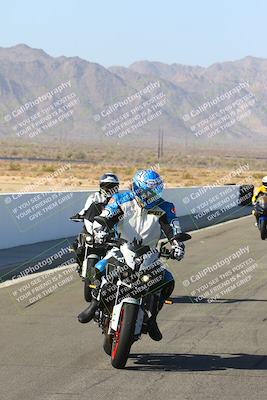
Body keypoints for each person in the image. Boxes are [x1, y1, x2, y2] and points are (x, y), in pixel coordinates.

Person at [78, 169, 185, 341]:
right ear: (136, 187)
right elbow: (105, 216)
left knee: (167, 281)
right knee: (96, 269)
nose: (149, 196)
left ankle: (152, 319)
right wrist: (100, 230)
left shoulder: (165, 207)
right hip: (122, 247)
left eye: (154, 192)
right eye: (146, 191)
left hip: (149, 254)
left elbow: (173, 228)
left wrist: (177, 244)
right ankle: (94, 304)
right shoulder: (121, 199)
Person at [70, 172, 120, 270]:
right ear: (101, 186)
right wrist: (79, 215)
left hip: (111, 229)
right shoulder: (94, 197)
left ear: (117, 187)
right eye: (106, 186)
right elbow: (86, 209)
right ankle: (79, 264)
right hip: (92, 227)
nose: (109, 189)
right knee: (78, 244)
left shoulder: (120, 199)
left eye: (112, 186)